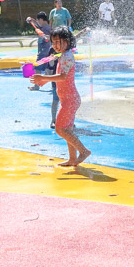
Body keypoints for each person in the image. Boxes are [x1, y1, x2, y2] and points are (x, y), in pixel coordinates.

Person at [30, 27, 91, 167]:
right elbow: (61, 76)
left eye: (59, 42)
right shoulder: (64, 55)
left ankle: (83, 151)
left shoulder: (67, 56)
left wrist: (43, 77)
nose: (56, 45)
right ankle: (72, 159)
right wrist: (43, 81)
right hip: (68, 99)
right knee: (67, 130)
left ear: (68, 41)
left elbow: (63, 77)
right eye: (54, 42)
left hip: (70, 100)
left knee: (60, 129)